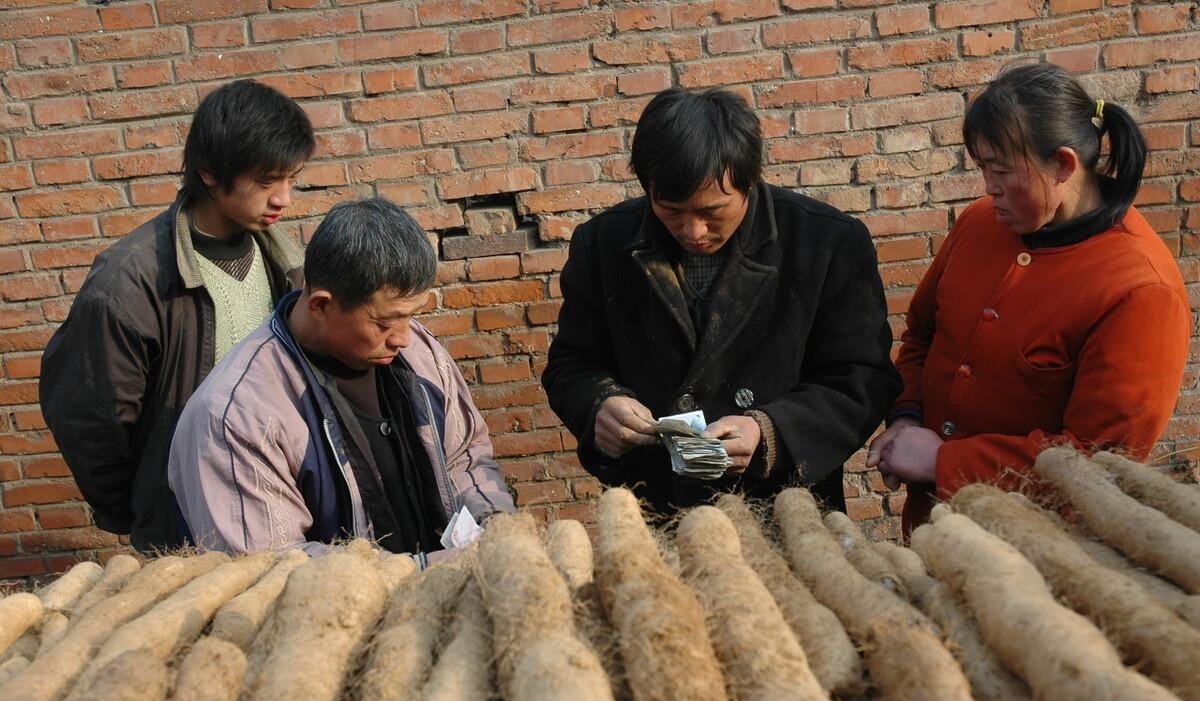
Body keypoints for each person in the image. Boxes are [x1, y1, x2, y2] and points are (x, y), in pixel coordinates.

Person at [541, 87, 901, 513]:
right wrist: (600, 405)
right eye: (671, 210)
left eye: (712, 211)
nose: (693, 231)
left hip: (787, 512)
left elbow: (861, 378)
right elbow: (572, 364)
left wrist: (769, 432)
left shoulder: (826, 243)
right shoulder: (602, 244)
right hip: (656, 511)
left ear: (748, 181)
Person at [867, 63, 1191, 532]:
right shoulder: (980, 223)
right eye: (982, 168)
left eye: (1000, 170)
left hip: (1042, 552)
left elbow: (1097, 463)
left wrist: (946, 461)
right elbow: (921, 335)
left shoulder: (1140, 289)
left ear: (1062, 164)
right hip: (936, 530)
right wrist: (906, 415)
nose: (988, 188)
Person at [40, 79, 315, 552]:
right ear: (209, 173)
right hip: (186, 532)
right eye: (267, 181)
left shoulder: (289, 266)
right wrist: (151, 508)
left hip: (287, 512)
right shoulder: (129, 282)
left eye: (291, 179)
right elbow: (90, 416)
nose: (284, 199)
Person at [168, 198, 515, 557]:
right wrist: (431, 572)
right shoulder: (234, 417)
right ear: (321, 305)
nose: (403, 337)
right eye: (384, 322)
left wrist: (496, 529)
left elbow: (464, 459)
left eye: (412, 316)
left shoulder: (421, 354)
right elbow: (273, 567)